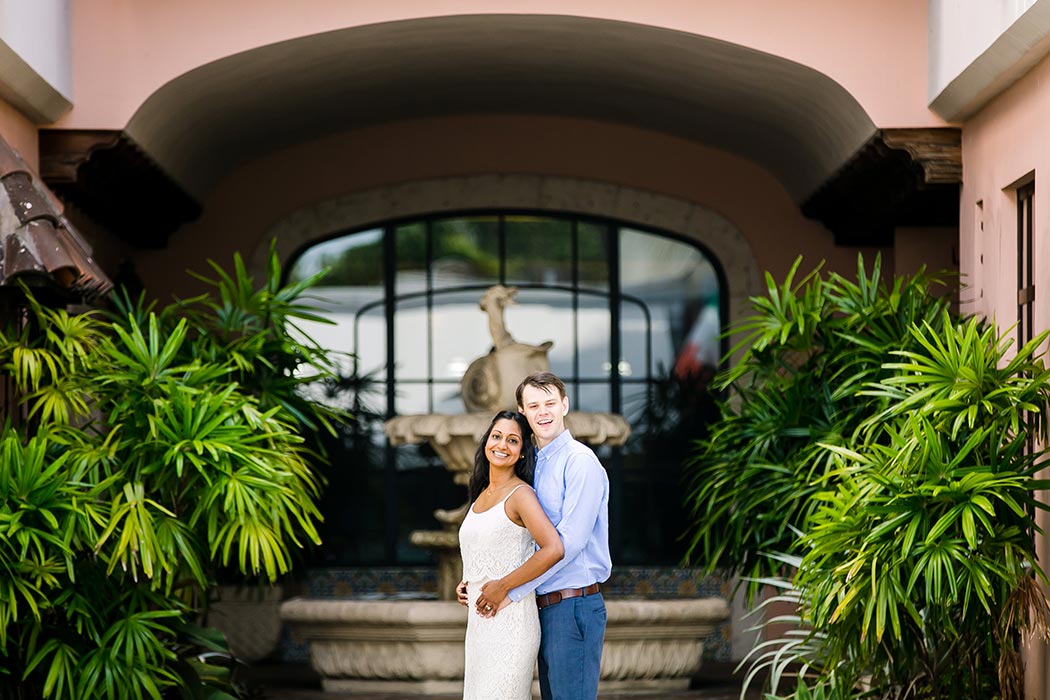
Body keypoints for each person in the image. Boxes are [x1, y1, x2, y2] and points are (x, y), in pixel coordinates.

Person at [468, 371, 612, 700]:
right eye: (534, 405)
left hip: (572, 604)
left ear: (565, 405)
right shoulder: (535, 465)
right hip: (541, 607)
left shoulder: (579, 463)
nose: (543, 412)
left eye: (550, 403)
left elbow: (567, 545)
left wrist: (509, 589)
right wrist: (478, 582)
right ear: (523, 411)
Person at [457, 410, 564, 700]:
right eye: (496, 436)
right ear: (486, 443)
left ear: (521, 453)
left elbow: (554, 549)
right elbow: (483, 549)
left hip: (512, 620)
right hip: (480, 624)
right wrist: (466, 583)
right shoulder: (481, 493)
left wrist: (502, 586)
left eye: (512, 440)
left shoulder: (521, 495)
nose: (502, 445)